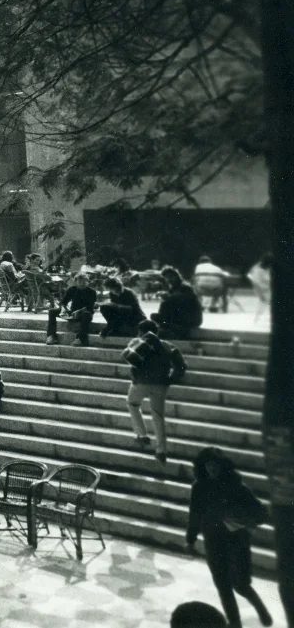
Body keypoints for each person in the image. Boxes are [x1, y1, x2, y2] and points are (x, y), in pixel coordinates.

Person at [186, 448, 272, 628]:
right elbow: (194, 514)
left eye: (215, 465)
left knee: (240, 584)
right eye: (208, 465)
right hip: (212, 541)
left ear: (222, 466)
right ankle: (235, 623)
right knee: (222, 585)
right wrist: (191, 539)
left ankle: (260, 607)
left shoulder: (237, 486)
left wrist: (246, 521)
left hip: (236, 541)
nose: (211, 469)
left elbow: (261, 512)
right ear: (203, 467)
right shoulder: (199, 487)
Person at [124, 319, 187, 464]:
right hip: (160, 384)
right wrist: (171, 379)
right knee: (158, 416)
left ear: (141, 331)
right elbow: (181, 365)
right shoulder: (167, 345)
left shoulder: (138, 343)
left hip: (141, 383)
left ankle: (142, 434)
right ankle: (161, 451)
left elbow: (131, 361)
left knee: (132, 404)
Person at [151, 266, 204, 339]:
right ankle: (167, 326)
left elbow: (182, 299)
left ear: (177, 276)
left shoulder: (185, 287)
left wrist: (168, 297)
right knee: (155, 316)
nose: (169, 279)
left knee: (165, 304)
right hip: (179, 318)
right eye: (166, 278)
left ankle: (171, 328)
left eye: (171, 277)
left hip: (190, 319)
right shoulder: (173, 289)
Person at [46, 273, 97, 346]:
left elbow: (90, 306)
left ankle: (81, 339)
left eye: (84, 282)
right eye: (80, 282)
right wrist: (64, 310)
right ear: (76, 282)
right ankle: (51, 335)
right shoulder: (72, 289)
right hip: (72, 312)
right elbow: (63, 302)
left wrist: (79, 311)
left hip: (85, 312)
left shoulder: (92, 292)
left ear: (88, 282)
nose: (82, 284)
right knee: (52, 311)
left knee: (86, 314)